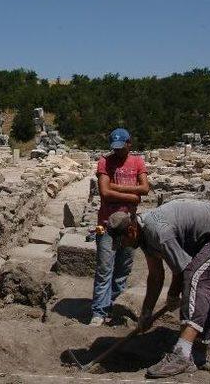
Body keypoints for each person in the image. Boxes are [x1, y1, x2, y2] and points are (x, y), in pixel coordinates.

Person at [106, 199, 210, 378]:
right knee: (205, 288)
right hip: (209, 240)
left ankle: (181, 355)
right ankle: (196, 355)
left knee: (196, 277)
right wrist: (146, 312)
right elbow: (156, 275)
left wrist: (173, 294)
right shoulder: (143, 235)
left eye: (122, 241)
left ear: (131, 230)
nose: (123, 245)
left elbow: (182, 270)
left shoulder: (159, 232)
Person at [90, 128, 149, 326]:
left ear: (129, 144)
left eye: (121, 148)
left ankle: (115, 307)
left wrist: (116, 187)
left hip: (130, 226)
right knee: (104, 268)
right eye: (114, 148)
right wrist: (133, 196)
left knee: (123, 269)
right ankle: (99, 311)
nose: (117, 152)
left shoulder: (138, 162)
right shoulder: (104, 162)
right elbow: (105, 193)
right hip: (104, 225)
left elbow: (146, 188)